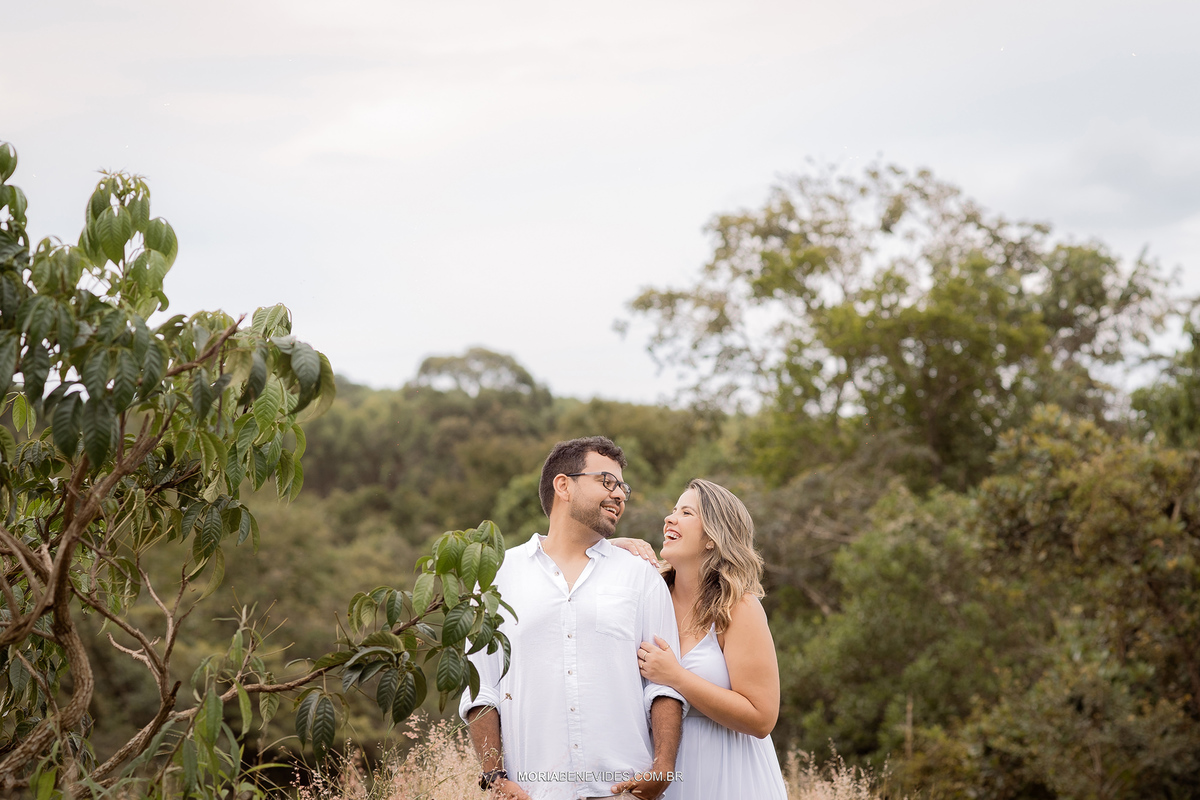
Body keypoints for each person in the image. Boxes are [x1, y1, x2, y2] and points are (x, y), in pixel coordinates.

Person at [459, 436, 686, 800]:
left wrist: (663, 769)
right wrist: (494, 777)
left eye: (623, 486)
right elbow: (481, 688)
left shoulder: (640, 576)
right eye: (606, 482)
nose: (620, 495)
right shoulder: (497, 575)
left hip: (625, 791)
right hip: (535, 792)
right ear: (563, 485)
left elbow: (663, 686)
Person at [612, 479, 787, 800]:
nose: (669, 518)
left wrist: (676, 677)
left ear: (712, 538)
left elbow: (762, 719)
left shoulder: (739, 607)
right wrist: (608, 550)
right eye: (673, 510)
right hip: (658, 774)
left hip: (730, 775)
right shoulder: (648, 594)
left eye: (686, 512)